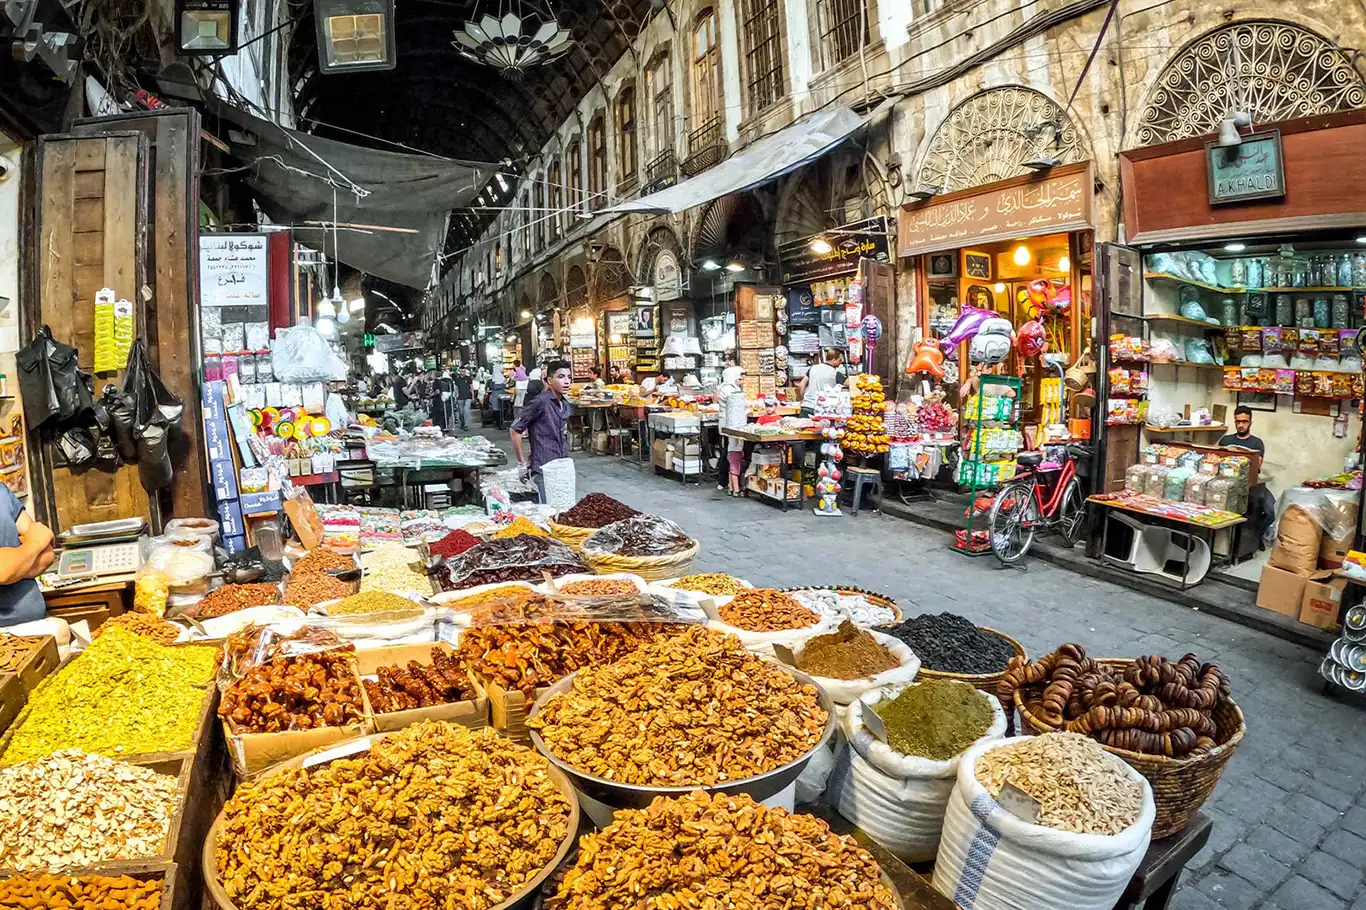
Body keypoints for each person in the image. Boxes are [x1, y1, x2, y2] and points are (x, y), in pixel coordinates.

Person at [511, 361, 573, 503]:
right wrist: (521, 463)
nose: (566, 381)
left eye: (569, 377)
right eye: (561, 377)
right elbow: (515, 430)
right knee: (550, 509)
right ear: (549, 380)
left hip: (561, 464)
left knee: (564, 508)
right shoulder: (541, 401)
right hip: (544, 467)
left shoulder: (565, 404)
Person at [1219, 405, 1275, 547]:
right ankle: (1238, 544)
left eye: (1244, 421)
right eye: (1238, 421)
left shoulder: (1256, 443)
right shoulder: (1226, 441)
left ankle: (1256, 537)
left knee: (1270, 510)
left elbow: (1256, 465)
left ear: (1250, 422)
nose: (1241, 425)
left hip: (1252, 484)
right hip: (1228, 483)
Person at [0, 490, 54, 625]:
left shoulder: (2, 493)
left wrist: (15, 566)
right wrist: (35, 543)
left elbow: (47, 553)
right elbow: (3, 571)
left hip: (34, 624)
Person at [716, 365, 748, 497]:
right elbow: (735, 405)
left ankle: (729, 483)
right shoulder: (727, 389)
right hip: (730, 425)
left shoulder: (733, 388)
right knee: (730, 452)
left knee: (730, 451)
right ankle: (725, 481)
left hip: (734, 424)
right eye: (740, 377)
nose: (742, 380)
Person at [797, 348, 846, 416]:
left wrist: (802, 398)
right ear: (834, 360)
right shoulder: (835, 373)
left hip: (807, 406)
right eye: (839, 360)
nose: (840, 363)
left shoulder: (813, 368)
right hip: (823, 410)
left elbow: (801, 384)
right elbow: (850, 384)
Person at [453, 366, 474, 430]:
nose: (463, 372)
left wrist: (473, 396)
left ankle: (466, 425)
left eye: (464, 371)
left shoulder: (468, 378)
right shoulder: (457, 379)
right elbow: (456, 389)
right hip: (460, 397)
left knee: (466, 410)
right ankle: (462, 423)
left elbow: (471, 388)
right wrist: (455, 397)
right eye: (462, 371)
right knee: (461, 412)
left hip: (468, 397)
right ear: (459, 371)